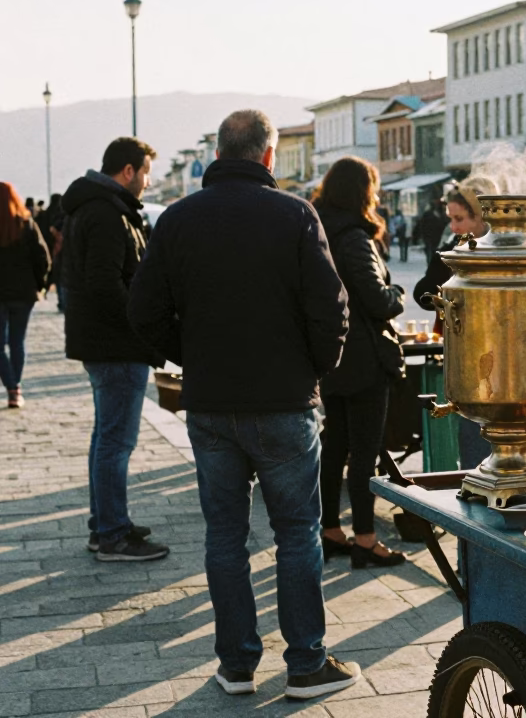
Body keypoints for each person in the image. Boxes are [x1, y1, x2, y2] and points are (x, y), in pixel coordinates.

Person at [128, 110, 360, 699]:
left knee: (225, 538)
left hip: (211, 403)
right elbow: (331, 308)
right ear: (267, 155)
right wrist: (315, 367)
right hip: (284, 400)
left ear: (219, 152)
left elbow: (143, 310)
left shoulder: (177, 219)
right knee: (297, 532)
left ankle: (236, 664)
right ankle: (306, 662)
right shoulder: (293, 215)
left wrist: (188, 355)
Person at [60, 138, 168, 562]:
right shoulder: (107, 213)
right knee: (115, 442)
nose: (146, 183)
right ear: (128, 171)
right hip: (116, 344)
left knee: (105, 437)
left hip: (102, 341)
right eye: (146, 174)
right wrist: (141, 321)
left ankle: (105, 522)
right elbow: (105, 283)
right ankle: (112, 534)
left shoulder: (95, 207)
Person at [312, 157, 407, 568]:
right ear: (361, 192)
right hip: (364, 359)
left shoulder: (317, 229)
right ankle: (365, 540)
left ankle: (330, 530)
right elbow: (376, 298)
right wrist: (397, 293)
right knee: (364, 452)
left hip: (331, 356)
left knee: (334, 446)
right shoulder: (353, 237)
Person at [415, 177, 496, 469]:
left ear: (481, 216)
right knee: (472, 435)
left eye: (459, 219)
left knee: (496, 437)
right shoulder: (455, 248)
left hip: (499, 358)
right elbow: (421, 292)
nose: (454, 227)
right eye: (451, 219)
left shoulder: (500, 250)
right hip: (467, 357)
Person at [0, 182, 51, 408]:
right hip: (23, 293)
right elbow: (43, 258)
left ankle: (11, 387)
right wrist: (40, 285)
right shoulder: (26, 224)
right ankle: (16, 386)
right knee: (17, 341)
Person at [418, 200, 448, 265]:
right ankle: (431, 265)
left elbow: (421, 225)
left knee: (432, 251)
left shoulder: (441, 215)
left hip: (433, 237)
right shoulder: (437, 215)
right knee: (431, 251)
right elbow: (422, 225)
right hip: (432, 237)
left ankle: (431, 265)